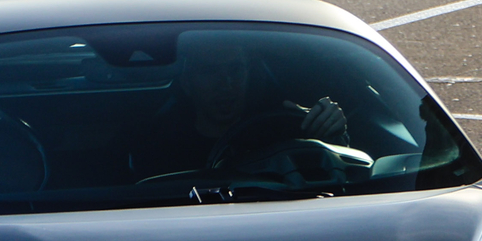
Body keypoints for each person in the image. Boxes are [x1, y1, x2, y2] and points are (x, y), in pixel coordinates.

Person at [130, 34, 353, 182]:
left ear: (248, 74)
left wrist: (333, 133)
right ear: (187, 83)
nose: (226, 83)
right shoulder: (161, 147)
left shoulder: (283, 131)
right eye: (210, 72)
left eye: (235, 69)